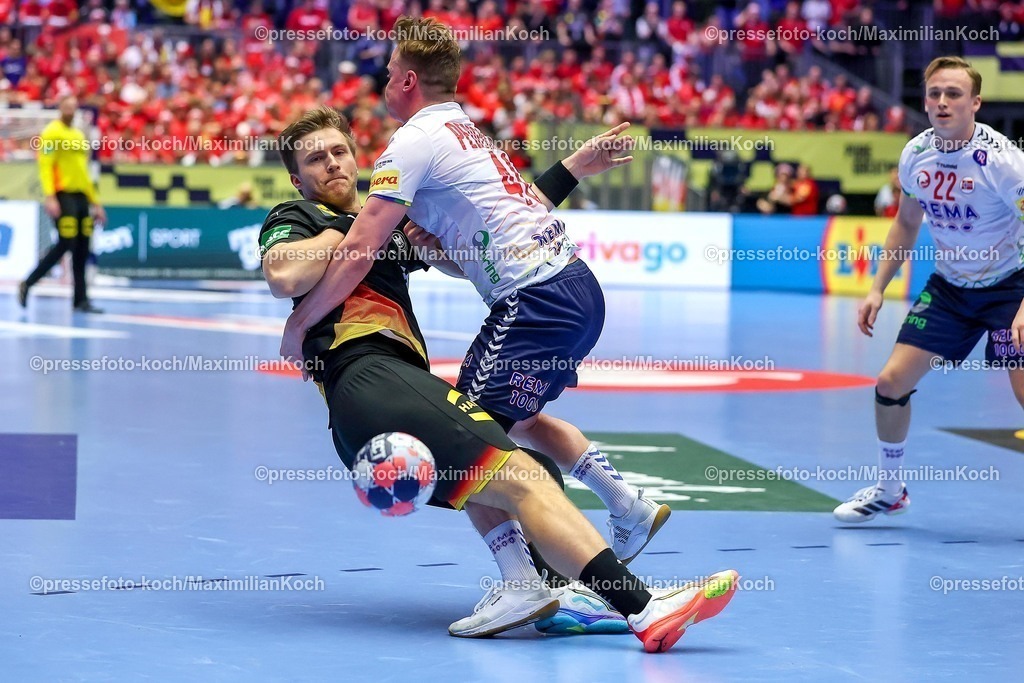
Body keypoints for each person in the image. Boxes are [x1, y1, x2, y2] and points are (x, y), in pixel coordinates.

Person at [262, 105, 738, 651]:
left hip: (392, 388)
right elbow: (284, 274)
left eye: (338, 150)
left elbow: (491, 236)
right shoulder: (298, 215)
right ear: (299, 179)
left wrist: (568, 172)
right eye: (315, 159)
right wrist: (357, 230)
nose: (331, 163)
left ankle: (543, 591)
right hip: (365, 376)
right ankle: (641, 606)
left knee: (516, 467)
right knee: (520, 471)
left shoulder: (390, 221)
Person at [834, 56, 1024, 522]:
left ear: (975, 102)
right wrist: (878, 288)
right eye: (934, 93)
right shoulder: (916, 154)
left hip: (1010, 288)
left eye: (953, 94)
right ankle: (890, 490)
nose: (942, 102)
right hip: (950, 290)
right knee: (890, 382)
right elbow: (905, 223)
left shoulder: (1003, 162)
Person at [20, 95, 107, 313]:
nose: (70, 110)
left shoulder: (78, 134)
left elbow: (84, 172)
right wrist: (50, 196)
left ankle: (80, 300)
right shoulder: (51, 133)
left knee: (83, 247)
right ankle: (28, 282)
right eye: (66, 106)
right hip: (62, 194)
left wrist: (96, 203)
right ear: (60, 108)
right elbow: (45, 164)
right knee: (66, 242)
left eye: (73, 107)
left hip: (80, 196)